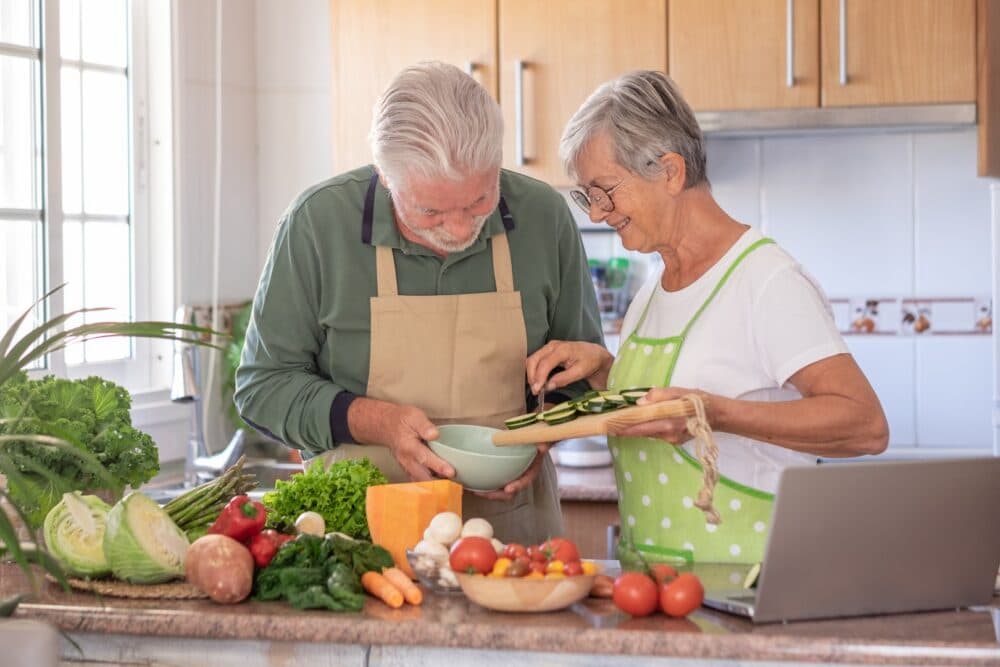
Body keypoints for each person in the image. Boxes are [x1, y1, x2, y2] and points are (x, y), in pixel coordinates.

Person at [526, 70, 889, 565]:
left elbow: (865, 424)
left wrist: (711, 414)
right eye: (588, 196)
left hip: (746, 586)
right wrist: (605, 371)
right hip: (657, 588)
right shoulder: (653, 292)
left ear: (670, 172)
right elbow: (674, 398)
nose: (596, 213)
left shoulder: (764, 279)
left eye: (605, 190)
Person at [234, 62, 603, 545]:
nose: (458, 229)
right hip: (356, 548)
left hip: (511, 544)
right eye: (430, 211)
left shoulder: (543, 217)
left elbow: (583, 369)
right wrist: (375, 421)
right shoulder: (317, 225)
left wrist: (543, 433)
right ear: (386, 179)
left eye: (478, 201)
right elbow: (262, 387)